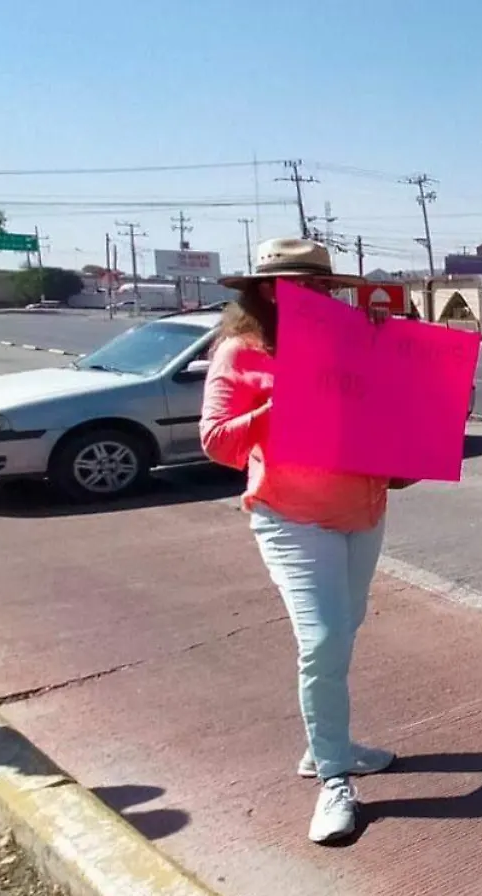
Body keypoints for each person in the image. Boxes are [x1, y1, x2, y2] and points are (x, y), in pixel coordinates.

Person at [198, 238, 397, 845]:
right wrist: (276, 409)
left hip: (363, 509)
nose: (316, 296)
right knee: (324, 637)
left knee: (346, 626)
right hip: (291, 515)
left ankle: (324, 745)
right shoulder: (240, 353)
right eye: (300, 286)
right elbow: (217, 441)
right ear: (266, 291)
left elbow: (386, 410)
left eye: (322, 286)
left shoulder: (351, 340)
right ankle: (334, 779)